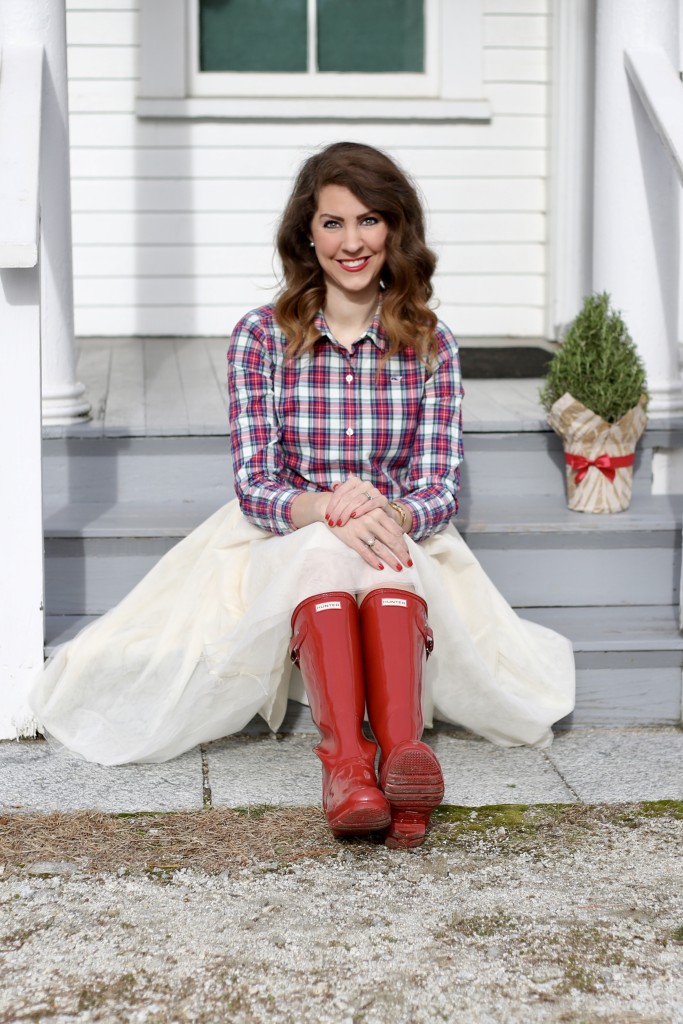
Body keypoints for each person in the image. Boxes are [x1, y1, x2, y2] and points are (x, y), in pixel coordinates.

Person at [27, 143, 575, 851]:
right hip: (283, 533)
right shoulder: (261, 336)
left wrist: (389, 513)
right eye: (332, 223)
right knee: (324, 551)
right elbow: (257, 486)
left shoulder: (430, 342)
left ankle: (381, 764)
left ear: (394, 231)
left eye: (369, 221)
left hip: (390, 534)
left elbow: (437, 485)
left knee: (378, 557)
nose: (351, 242)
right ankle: (363, 760)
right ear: (305, 235)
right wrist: (328, 508)